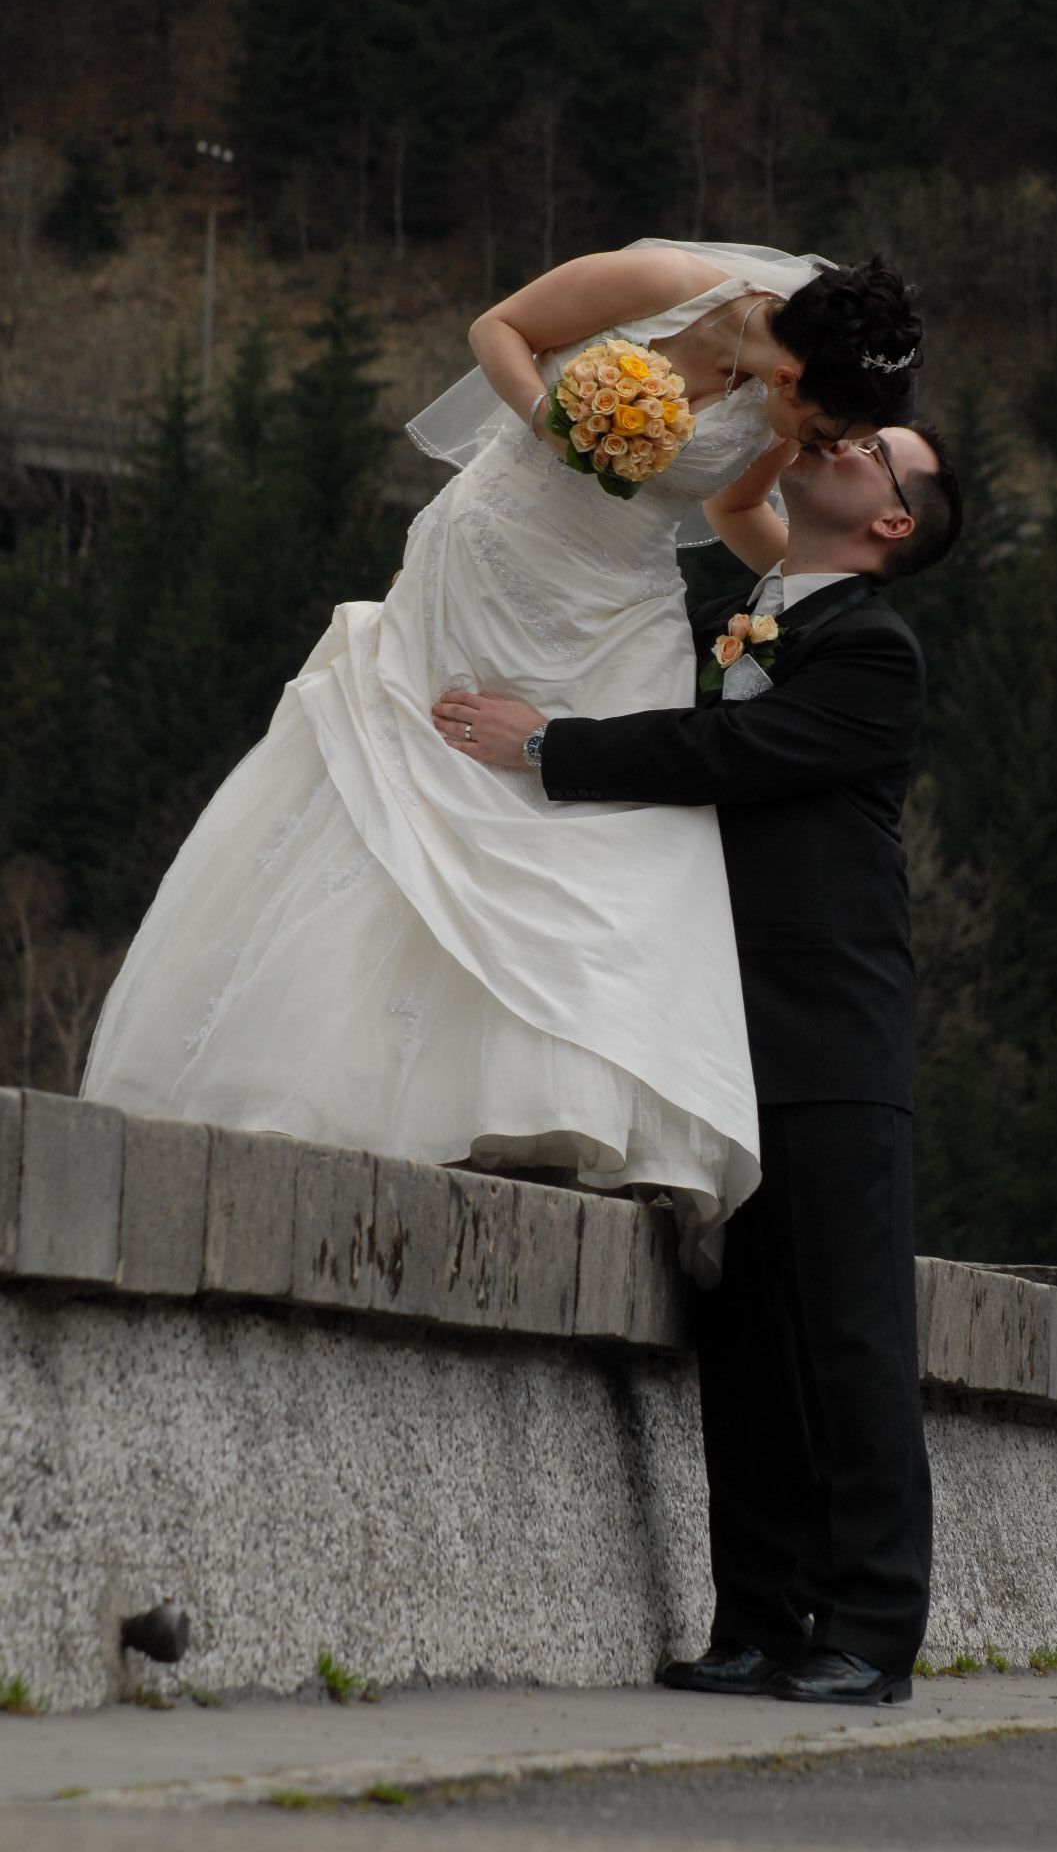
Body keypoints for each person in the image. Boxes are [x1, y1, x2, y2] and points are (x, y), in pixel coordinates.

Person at [80, 239, 923, 1288]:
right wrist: (552, 421)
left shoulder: (779, 413)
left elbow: (734, 511)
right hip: (494, 561)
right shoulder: (670, 282)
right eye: (827, 427)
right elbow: (501, 328)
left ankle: (559, 1113)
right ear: (795, 374)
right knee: (427, 796)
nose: (822, 448)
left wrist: (816, 606)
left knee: (626, 839)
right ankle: (355, 1088)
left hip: (620, 609)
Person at [431, 421, 963, 1704]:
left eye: (869, 449)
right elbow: (725, 515)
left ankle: (869, 1633)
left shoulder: (872, 650)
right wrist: (770, 416)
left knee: (848, 1335)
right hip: (708, 1027)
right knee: (743, 1339)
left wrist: (550, 746)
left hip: (824, 1033)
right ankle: (758, 1619)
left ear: (893, 520)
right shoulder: (750, 614)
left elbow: (728, 754)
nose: (841, 443)